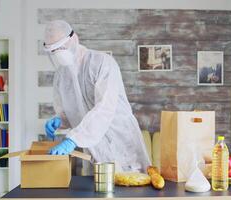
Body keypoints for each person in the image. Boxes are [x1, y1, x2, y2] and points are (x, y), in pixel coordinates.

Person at [43, 20, 151, 173]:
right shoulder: (61, 76)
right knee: (97, 191)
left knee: (132, 189)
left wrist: (72, 139)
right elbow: (73, 112)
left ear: (74, 39)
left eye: (62, 46)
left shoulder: (102, 63)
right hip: (94, 150)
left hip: (121, 143)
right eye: (54, 50)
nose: (59, 53)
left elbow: (105, 108)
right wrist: (60, 120)